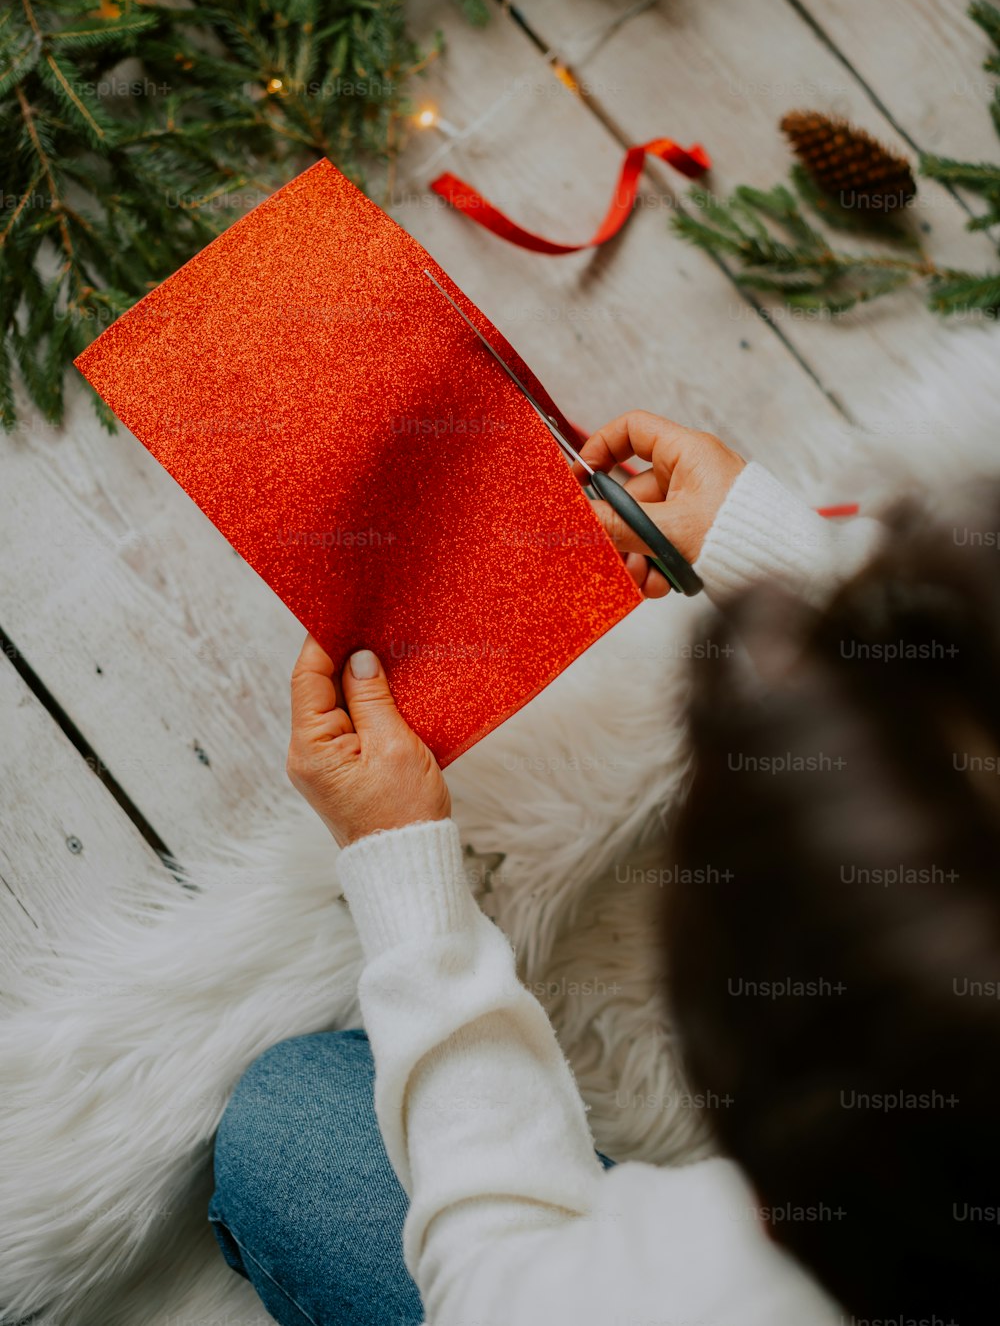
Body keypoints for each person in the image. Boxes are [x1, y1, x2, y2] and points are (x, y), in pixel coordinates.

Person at [208, 411, 999, 1326]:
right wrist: (779, 557)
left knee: (290, 1130)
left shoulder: (730, 1283)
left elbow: (490, 1283)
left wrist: (400, 864)